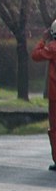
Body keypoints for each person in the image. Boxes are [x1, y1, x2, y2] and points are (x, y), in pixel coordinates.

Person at [30, 19, 56, 170]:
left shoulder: (52, 48)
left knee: (55, 129)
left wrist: (43, 40)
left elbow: (35, 55)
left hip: (55, 96)